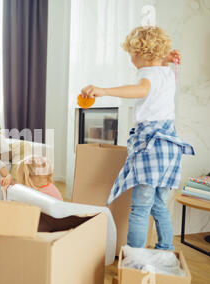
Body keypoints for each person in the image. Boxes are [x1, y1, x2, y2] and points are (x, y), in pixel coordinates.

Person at [81, 26, 194, 251]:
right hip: (170, 146)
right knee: (160, 205)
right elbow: (158, 69)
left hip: (151, 145)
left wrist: (104, 91)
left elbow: (141, 90)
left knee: (140, 208)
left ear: (143, 53)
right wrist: (166, 58)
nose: (131, 60)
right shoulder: (166, 71)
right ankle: (165, 250)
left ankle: (135, 255)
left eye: (132, 54)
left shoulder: (147, 74)